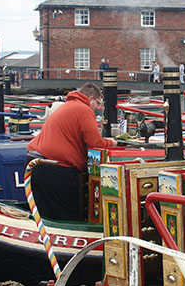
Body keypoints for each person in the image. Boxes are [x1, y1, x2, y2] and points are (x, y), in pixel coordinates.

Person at [26, 83, 117, 221]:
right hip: (56, 169)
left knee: (44, 214)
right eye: (98, 103)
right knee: (67, 215)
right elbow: (95, 143)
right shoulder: (84, 110)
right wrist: (112, 142)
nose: (97, 108)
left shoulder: (66, 106)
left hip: (35, 164)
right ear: (91, 98)